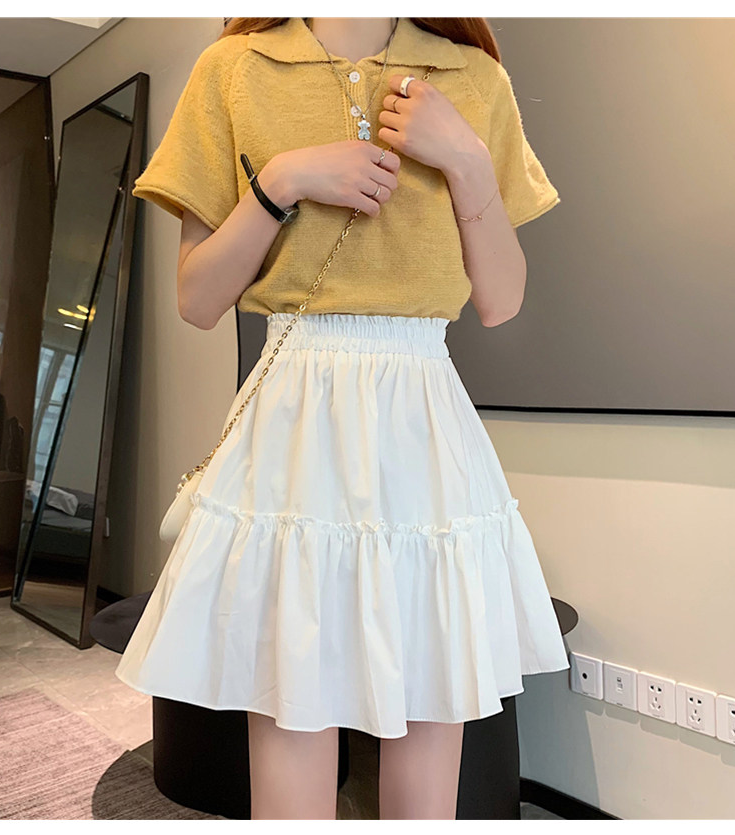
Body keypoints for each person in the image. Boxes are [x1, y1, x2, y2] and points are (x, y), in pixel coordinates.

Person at [115, 17, 570, 820]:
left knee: (431, 712)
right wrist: (282, 180)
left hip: (421, 419)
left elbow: (502, 299)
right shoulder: (234, 69)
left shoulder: (471, 76)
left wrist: (465, 158)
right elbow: (197, 298)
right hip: (294, 420)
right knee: (292, 710)